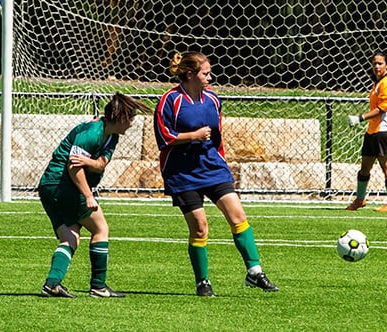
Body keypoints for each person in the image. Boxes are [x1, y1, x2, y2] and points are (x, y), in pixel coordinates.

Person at [155, 51, 278, 296]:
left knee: (237, 215)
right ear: (190, 74)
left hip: (213, 168)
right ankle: (203, 282)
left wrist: (220, 161)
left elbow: (218, 136)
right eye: (205, 73)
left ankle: (254, 272)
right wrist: (193, 136)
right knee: (200, 227)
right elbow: (164, 137)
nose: (210, 77)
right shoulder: (170, 100)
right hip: (182, 174)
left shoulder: (212, 99)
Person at [37, 92, 153, 299]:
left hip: (49, 187)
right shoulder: (92, 132)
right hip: (62, 185)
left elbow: (100, 165)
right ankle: (98, 286)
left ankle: (52, 283)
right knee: (101, 228)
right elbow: (74, 167)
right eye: (131, 118)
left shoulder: (112, 136)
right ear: (121, 118)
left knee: (70, 237)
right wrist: (88, 195)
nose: (132, 123)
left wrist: (91, 163)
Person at [346, 51, 387, 213]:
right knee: (365, 167)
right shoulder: (378, 83)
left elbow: (382, 108)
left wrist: (360, 118)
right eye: (375, 63)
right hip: (373, 131)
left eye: (380, 63)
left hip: (384, 130)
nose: (377, 66)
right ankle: (360, 199)